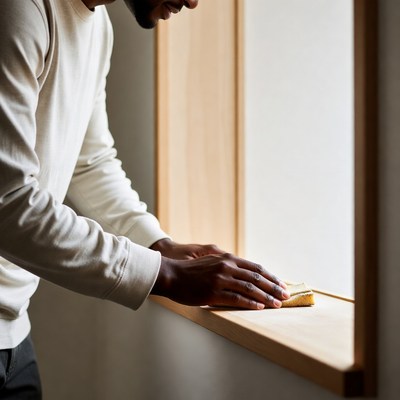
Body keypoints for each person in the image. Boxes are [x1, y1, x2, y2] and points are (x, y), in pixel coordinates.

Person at [0, 0, 290, 398]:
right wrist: (165, 274)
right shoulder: (19, 10)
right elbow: (9, 203)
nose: (193, 1)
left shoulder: (98, 28)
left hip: (14, 335)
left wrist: (159, 243)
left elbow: (90, 162)